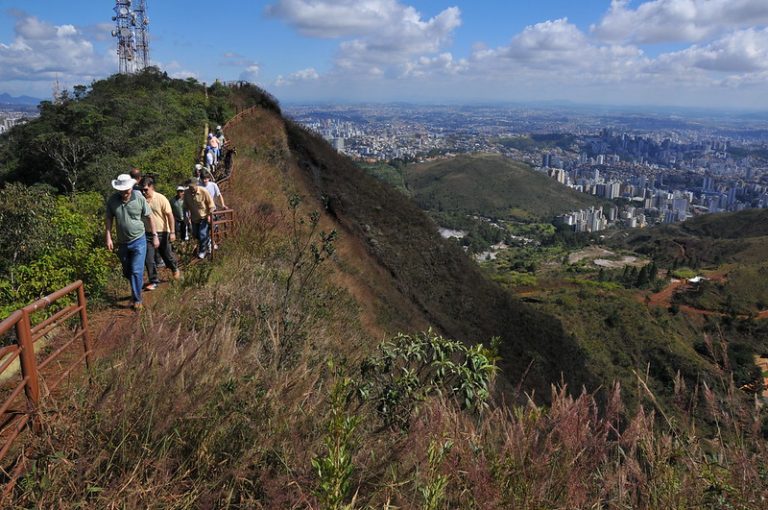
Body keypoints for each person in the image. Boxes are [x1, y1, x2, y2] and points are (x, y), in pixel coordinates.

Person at [105, 173, 159, 310]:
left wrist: (154, 235)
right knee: (127, 271)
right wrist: (108, 236)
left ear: (131, 187)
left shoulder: (139, 197)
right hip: (122, 242)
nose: (124, 193)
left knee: (136, 270)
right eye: (122, 190)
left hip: (139, 240)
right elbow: (109, 219)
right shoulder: (112, 201)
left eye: (127, 190)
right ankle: (137, 282)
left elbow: (149, 217)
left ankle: (137, 299)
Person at [140, 177, 181, 287]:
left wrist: (172, 232)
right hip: (148, 233)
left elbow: (170, 215)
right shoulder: (141, 200)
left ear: (152, 187)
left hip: (163, 232)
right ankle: (154, 281)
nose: (143, 192)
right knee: (148, 258)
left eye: (145, 189)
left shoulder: (161, 198)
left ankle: (174, 268)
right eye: (142, 190)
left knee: (166, 255)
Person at [183, 177, 215, 259]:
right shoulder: (186, 193)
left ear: (197, 185)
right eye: (189, 187)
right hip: (194, 218)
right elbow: (185, 207)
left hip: (204, 217)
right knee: (196, 235)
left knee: (202, 234)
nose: (191, 189)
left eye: (192, 187)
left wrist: (209, 216)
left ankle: (203, 251)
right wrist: (186, 217)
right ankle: (209, 242)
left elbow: (212, 206)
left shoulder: (204, 192)